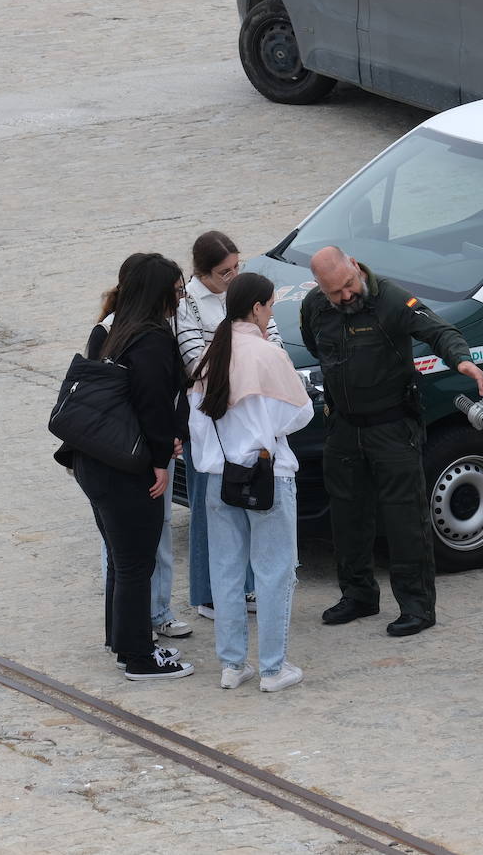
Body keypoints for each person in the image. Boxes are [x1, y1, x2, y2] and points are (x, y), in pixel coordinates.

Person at [300, 246, 483, 637]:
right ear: (321, 287)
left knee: (405, 519)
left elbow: (439, 331)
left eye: (349, 285)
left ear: (354, 265)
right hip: (345, 428)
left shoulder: (392, 300)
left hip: (391, 427)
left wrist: (462, 359)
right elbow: (313, 342)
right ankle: (358, 595)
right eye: (336, 292)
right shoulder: (315, 306)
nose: (346, 296)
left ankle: (417, 606)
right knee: (347, 517)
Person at [189, 272, 313, 692]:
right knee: (274, 571)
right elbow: (300, 414)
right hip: (267, 475)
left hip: (217, 478)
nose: (271, 312)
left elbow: (198, 426)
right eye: (271, 305)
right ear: (257, 307)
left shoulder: (210, 356)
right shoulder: (266, 354)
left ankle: (232, 665)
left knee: (226, 572)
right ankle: (274, 669)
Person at [73, 253, 194, 680]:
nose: (179, 301)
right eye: (176, 293)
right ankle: (139, 657)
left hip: (95, 460)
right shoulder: (152, 339)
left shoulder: (110, 330)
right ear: (159, 294)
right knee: (136, 563)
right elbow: (153, 404)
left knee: (121, 559)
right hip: (128, 467)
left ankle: (121, 640)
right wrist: (161, 461)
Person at [177, 231, 281, 621]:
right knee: (212, 505)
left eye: (237, 267)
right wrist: (249, 364)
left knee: (251, 500)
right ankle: (207, 594)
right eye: (224, 272)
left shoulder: (242, 292)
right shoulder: (187, 303)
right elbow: (195, 363)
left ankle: (247, 585)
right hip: (215, 414)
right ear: (203, 273)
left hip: (251, 412)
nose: (233, 276)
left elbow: (273, 338)